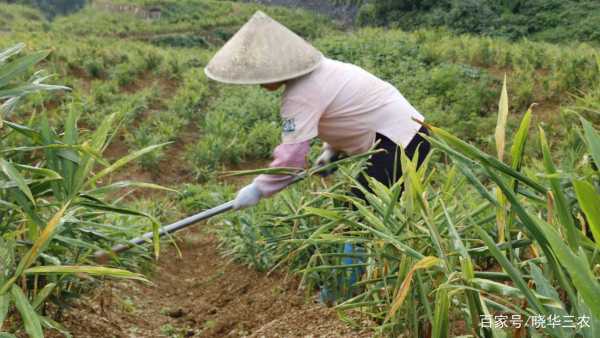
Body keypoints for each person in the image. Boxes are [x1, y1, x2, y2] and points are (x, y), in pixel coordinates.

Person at [204, 10, 430, 211]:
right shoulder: (325, 70)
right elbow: (347, 113)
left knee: (358, 213)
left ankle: (358, 257)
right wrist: (332, 151)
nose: (259, 82)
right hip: (411, 135)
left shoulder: (300, 95)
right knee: (370, 210)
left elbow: (291, 159)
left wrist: (258, 189)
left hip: (401, 143)